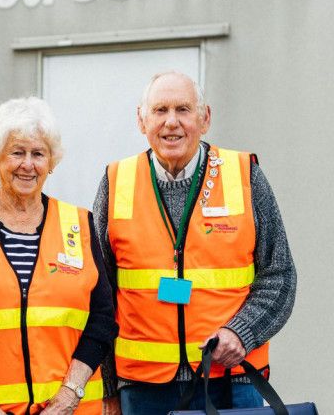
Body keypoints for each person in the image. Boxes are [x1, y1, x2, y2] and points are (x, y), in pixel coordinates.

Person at [93, 71, 297, 414]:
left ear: (205, 118)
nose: (172, 122)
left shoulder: (244, 175)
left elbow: (280, 276)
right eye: (160, 110)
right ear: (141, 120)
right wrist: (109, 387)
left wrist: (240, 333)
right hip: (143, 390)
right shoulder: (116, 182)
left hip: (231, 379)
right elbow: (100, 293)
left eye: (183, 109)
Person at [0, 97, 118, 414]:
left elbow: (102, 317)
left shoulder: (77, 224)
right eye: (17, 152)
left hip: (67, 410)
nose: (27, 164)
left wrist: (70, 394)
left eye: (38, 154)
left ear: (51, 161)